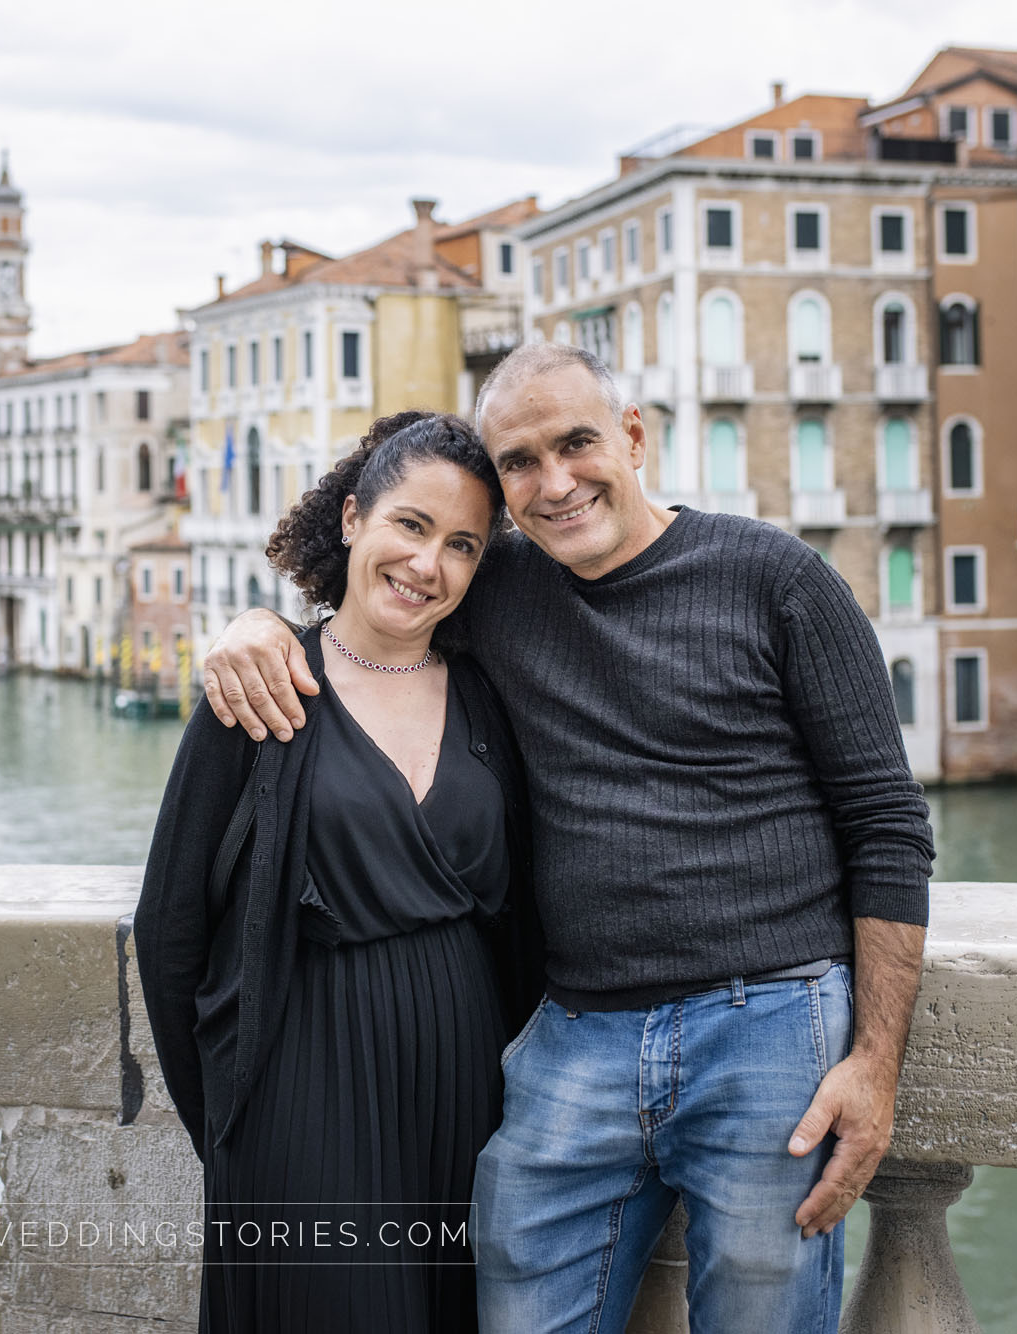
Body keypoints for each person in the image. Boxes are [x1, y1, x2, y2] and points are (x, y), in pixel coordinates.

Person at [199, 342, 935, 1333]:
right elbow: (373, 615)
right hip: (571, 1037)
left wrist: (874, 1063)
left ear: (632, 437)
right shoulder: (492, 583)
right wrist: (253, 624)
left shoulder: (778, 579)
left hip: (765, 1023)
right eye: (518, 461)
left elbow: (886, 823)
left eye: (576, 442)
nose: (553, 483)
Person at [135, 411, 541, 1332]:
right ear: (354, 518)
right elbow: (170, 929)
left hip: (464, 1096)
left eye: (462, 545)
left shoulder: (487, 695)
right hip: (302, 1091)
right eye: (410, 524)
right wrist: (232, 1123)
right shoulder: (264, 687)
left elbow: (519, 920)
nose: (427, 563)